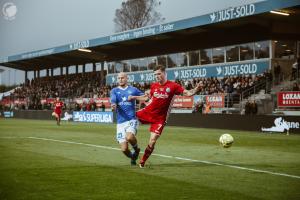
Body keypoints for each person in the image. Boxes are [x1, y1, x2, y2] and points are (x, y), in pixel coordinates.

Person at [128, 65, 201, 168]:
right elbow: (147, 97)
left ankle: (142, 161)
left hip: (160, 119)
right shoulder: (154, 86)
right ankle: (132, 144)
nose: (157, 76)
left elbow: (188, 93)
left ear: (164, 73)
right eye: (155, 74)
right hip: (148, 112)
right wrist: (134, 97)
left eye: (159, 74)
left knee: (152, 141)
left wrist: (196, 89)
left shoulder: (173, 86)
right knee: (129, 117)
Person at [110, 72, 144, 165]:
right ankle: (133, 157)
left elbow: (145, 97)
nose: (120, 79)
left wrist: (135, 97)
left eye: (122, 78)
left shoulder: (133, 89)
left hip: (131, 119)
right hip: (120, 123)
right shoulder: (114, 90)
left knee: (129, 137)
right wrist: (113, 106)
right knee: (124, 149)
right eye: (119, 78)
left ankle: (136, 150)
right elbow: (113, 100)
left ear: (126, 79)